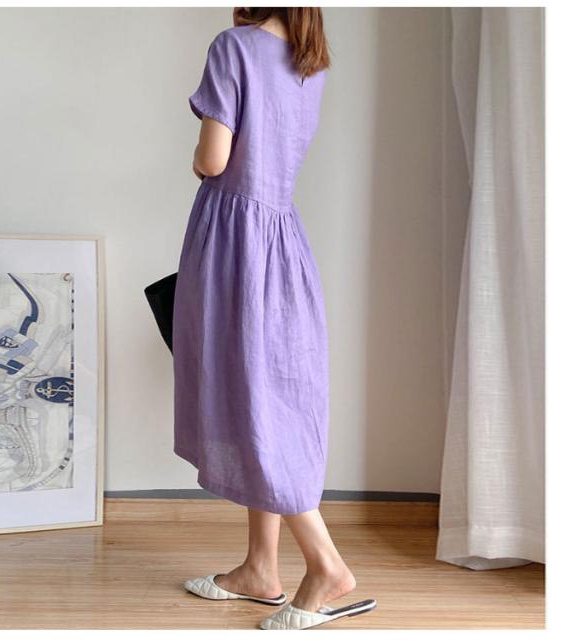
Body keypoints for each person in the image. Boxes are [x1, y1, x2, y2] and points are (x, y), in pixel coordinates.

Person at [173, 7, 368, 630]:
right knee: (262, 394)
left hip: (233, 240)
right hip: (281, 240)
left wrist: (197, 152)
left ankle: (327, 565)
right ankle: (260, 568)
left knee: (252, 399)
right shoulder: (312, 61)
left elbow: (214, 160)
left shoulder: (234, 47)